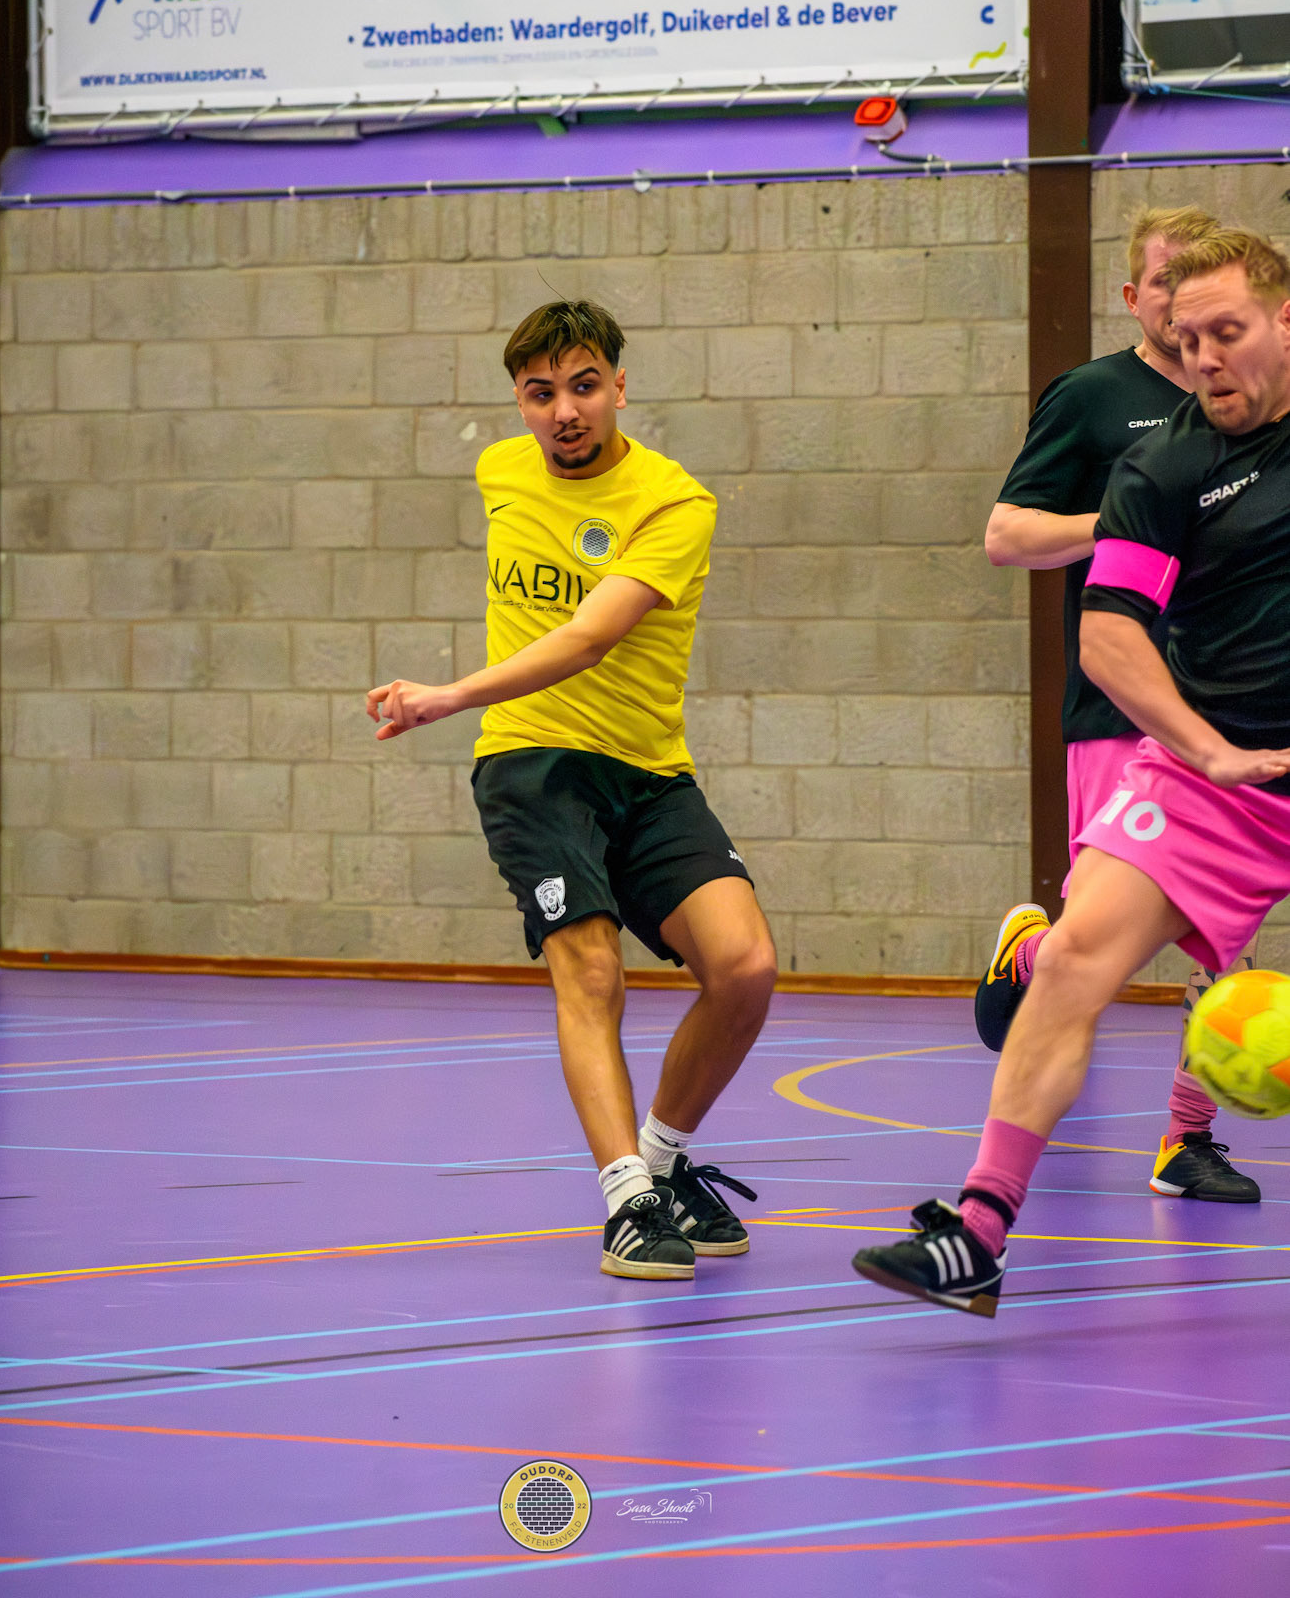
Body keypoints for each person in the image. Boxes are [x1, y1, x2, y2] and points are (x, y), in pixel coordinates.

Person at [853, 227, 1290, 1317]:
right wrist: (1207, 750)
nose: (1203, 359)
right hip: (1217, 776)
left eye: (1227, 332)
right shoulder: (1163, 466)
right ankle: (978, 1230)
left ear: (1286, 321)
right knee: (1073, 963)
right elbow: (1108, 636)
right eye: (1186, 339)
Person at [366, 298, 777, 1282]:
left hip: (649, 769)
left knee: (745, 966)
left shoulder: (675, 503)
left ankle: (665, 1162)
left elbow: (592, 635)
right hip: (533, 761)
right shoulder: (499, 470)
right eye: (540, 392)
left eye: (584, 386)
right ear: (519, 399)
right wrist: (479, 711)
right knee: (589, 969)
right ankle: (629, 1199)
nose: (564, 411)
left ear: (619, 387)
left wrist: (448, 694)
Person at [976, 204, 1260, 1206]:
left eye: (1201, 282)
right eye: (1165, 281)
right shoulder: (1096, 397)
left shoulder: (1252, 412)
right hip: (1118, 705)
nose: (1185, 304)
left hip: (1229, 709)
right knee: (1097, 944)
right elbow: (1005, 535)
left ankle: (1187, 1135)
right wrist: (1135, 519)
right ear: (1137, 296)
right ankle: (1029, 955)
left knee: (1224, 940)